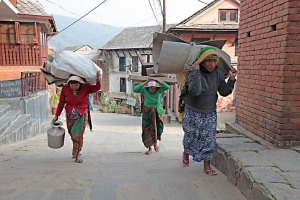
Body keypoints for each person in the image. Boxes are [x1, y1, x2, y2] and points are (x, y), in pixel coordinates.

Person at [180, 46, 237, 175]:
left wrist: (232, 79)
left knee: (209, 140)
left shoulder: (217, 73)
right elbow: (195, 92)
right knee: (190, 137)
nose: (212, 64)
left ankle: (207, 166)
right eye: (208, 61)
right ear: (201, 61)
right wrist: (195, 73)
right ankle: (186, 152)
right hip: (192, 111)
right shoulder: (194, 73)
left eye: (214, 61)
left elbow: (224, 91)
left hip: (209, 112)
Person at [51, 72, 101, 163]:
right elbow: (61, 102)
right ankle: (76, 150)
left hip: (81, 114)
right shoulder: (65, 88)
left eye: (76, 85)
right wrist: (56, 116)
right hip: (70, 114)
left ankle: (77, 154)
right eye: (72, 85)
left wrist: (98, 79)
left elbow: (97, 88)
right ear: (69, 84)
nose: (74, 87)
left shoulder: (86, 87)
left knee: (78, 134)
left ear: (80, 84)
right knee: (71, 133)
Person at [133, 77, 170, 155]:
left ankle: (155, 143)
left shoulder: (159, 91)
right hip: (147, 112)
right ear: (148, 87)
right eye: (150, 88)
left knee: (158, 128)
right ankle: (149, 147)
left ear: (156, 88)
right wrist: (146, 81)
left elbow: (167, 87)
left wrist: (156, 80)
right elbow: (135, 89)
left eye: (153, 88)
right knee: (147, 129)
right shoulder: (144, 90)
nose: (152, 90)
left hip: (156, 112)